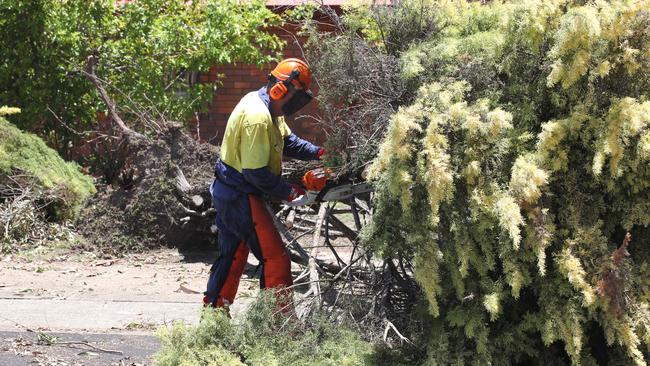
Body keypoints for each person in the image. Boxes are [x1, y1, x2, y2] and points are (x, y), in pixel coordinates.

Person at [204, 58, 324, 310]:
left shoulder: (269, 107)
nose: (295, 105)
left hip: (229, 189)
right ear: (281, 89)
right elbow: (256, 173)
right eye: (296, 97)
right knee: (276, 259)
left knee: (234, 255)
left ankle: (214, 315)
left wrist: (320, 153)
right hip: (240, 193)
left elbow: (289, 143)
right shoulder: (258, 116)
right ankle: (277, 327)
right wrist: (292, 193)